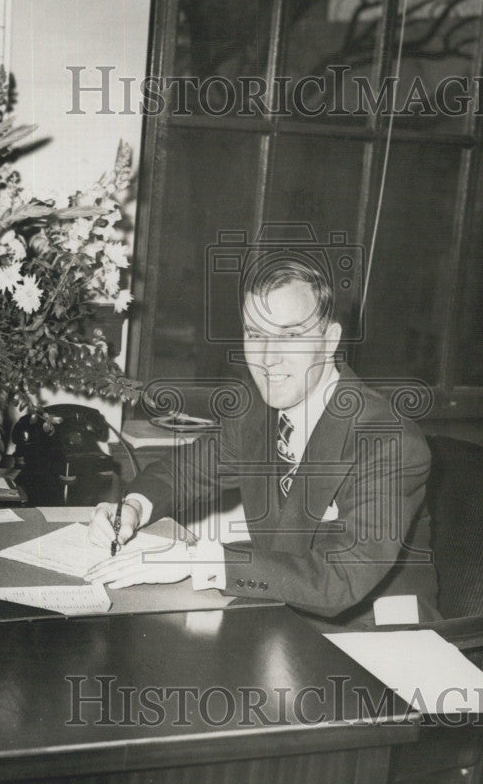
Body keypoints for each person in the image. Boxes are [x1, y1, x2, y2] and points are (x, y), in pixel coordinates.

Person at [87, 253, 439, 631]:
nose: (268, 358)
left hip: (378, 640)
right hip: (284, 618)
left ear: (330, 340)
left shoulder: (387, 441)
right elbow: (184, 472)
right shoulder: (256, 411)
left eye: (290, 335)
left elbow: (342, 578)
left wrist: (200, 560)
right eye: (255, 334)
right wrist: (133, 508)